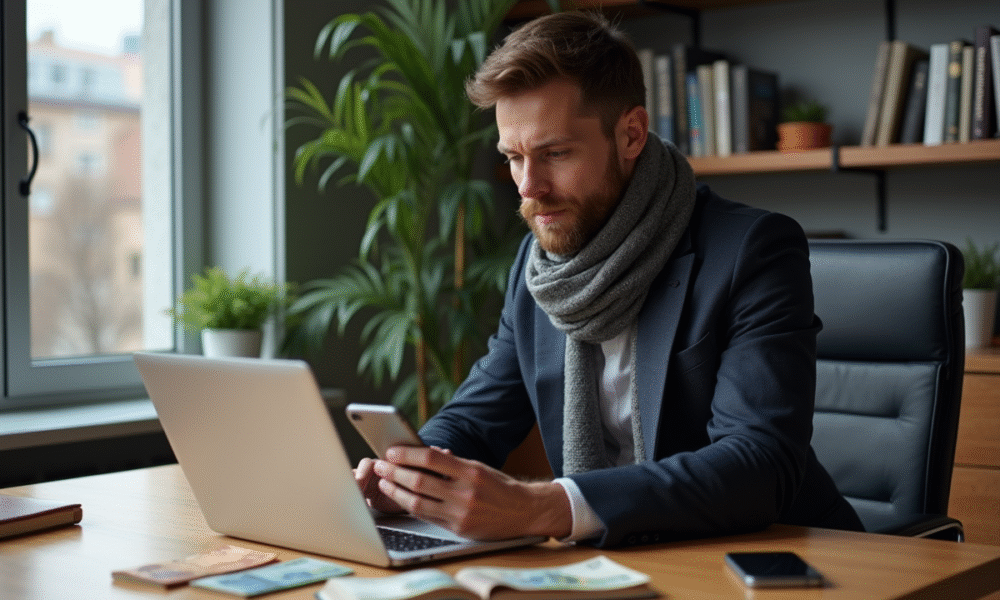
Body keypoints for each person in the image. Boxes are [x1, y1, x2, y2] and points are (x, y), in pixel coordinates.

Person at [354, 10, 863, 548]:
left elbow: (758, 464)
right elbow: (478, 418)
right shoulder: (539, 266)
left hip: (782, 558)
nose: (529, 187)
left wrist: (549, 506)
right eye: (513, 158)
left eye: (555, 154)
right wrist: (408, 480)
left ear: (631, 135)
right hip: (624, 561)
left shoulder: (752, 251)